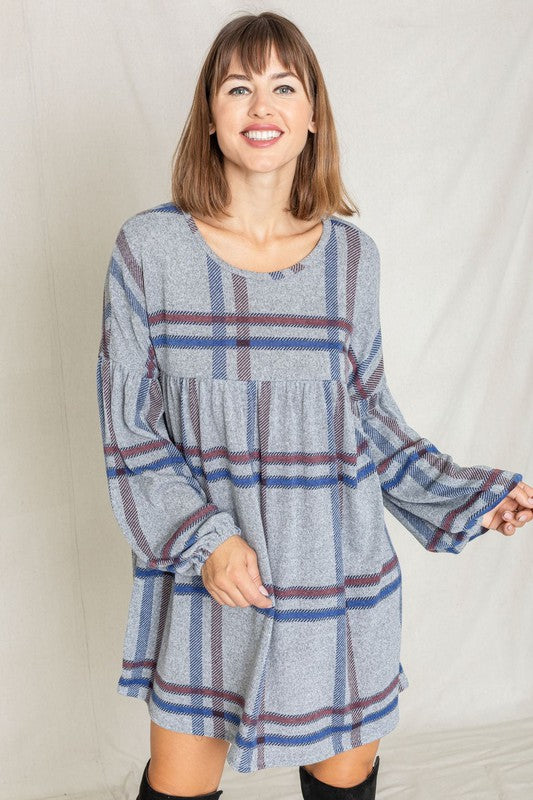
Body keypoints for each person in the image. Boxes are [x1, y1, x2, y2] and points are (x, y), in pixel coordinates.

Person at [95, 11, 531, 800]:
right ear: (210, 114)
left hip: (338, 573)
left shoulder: (351, 261)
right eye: (238, 87)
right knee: (180, 782)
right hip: (210, 574)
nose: (261, 107)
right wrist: (206, 540)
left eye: (282, 88)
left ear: (310, 116)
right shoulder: (147, 253)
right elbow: (129, 431)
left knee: (342, 781)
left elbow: (369, 420)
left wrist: (471, 494)